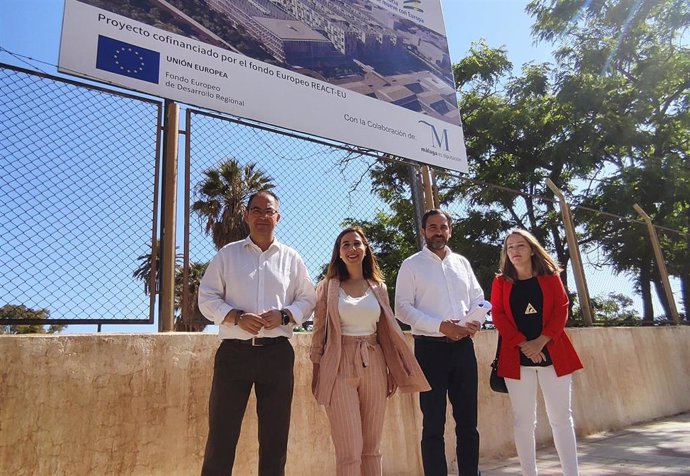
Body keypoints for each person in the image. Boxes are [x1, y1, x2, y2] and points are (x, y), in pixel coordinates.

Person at [197, 190, 317, 476]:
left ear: (278, 217)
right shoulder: (228, 255)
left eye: (269, 211)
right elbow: (206, 298)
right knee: (222, 436)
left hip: (277, 355)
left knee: (275, 440)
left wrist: (285, 315)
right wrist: (236, 316)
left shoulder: (292, 258)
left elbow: (308, 299)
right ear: (246, 215)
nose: (263, 216)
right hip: (233, 356)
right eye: (257, 210)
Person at [310, 226, 430, 476]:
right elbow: (319, 331)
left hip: (374, 362)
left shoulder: (379, 287)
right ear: (339, 253)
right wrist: (316, 370)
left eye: (356, 244)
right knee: (349, 450)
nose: (352, 249)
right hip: (339, 365)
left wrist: (391, 371)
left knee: (372, 448)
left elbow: (385, 333)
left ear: (365, 249)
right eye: (345, 245)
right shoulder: (328, 287)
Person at [395, 209, 485, 476]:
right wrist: (440, 326)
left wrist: (475, 321)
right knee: (433, 425)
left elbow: (478, 298)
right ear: (423, 231)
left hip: (463, 349)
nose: (438, 231)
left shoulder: (462, 263)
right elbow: (401, 308)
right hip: (429, 350)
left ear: (450, 230)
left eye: (443, 227)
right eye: (432, 227)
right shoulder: (411, 265)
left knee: (468, 422)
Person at [490, 229, 583, 476]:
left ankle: (571, 473)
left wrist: (540, 342)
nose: (514, 251)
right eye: (509, 247)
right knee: (523, 422)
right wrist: (524, 345)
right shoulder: (500, 282)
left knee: (561, 418)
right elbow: (497, 315)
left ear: (532, 249)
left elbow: (562, 309)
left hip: (554, 355)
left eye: (520, 245)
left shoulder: (551, 278)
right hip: (516, 359)